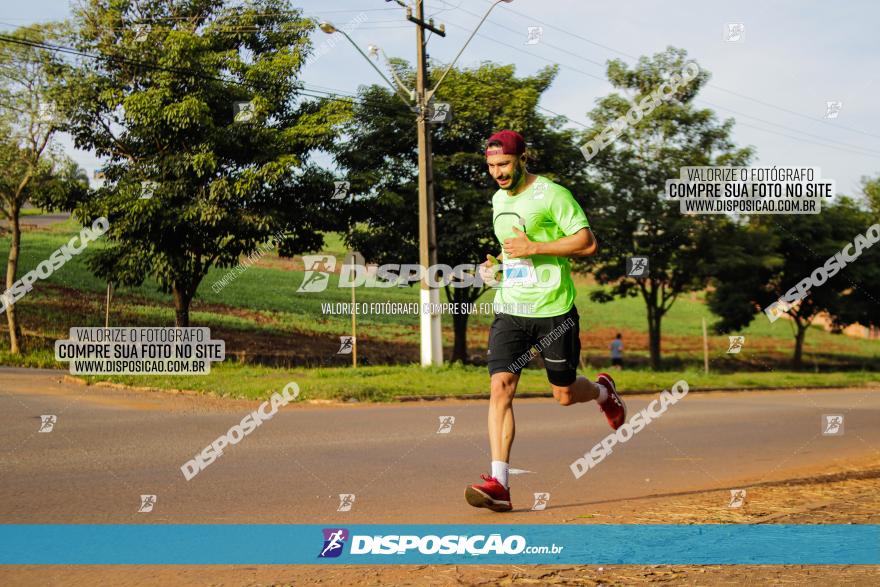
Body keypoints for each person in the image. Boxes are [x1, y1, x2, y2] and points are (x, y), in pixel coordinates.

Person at [465, 130, 627, 513]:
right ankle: (499, 483)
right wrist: (497, 270)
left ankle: (603, 392)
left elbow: (586, 243)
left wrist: (535, 247)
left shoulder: (552, 194)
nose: (498, 173)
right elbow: (512, 254)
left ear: (523, 158)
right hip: (511, 309)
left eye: (504, 164)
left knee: (565, 394)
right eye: (491, 167)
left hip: (553, 310)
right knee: (500, 386)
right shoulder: (497, 199)